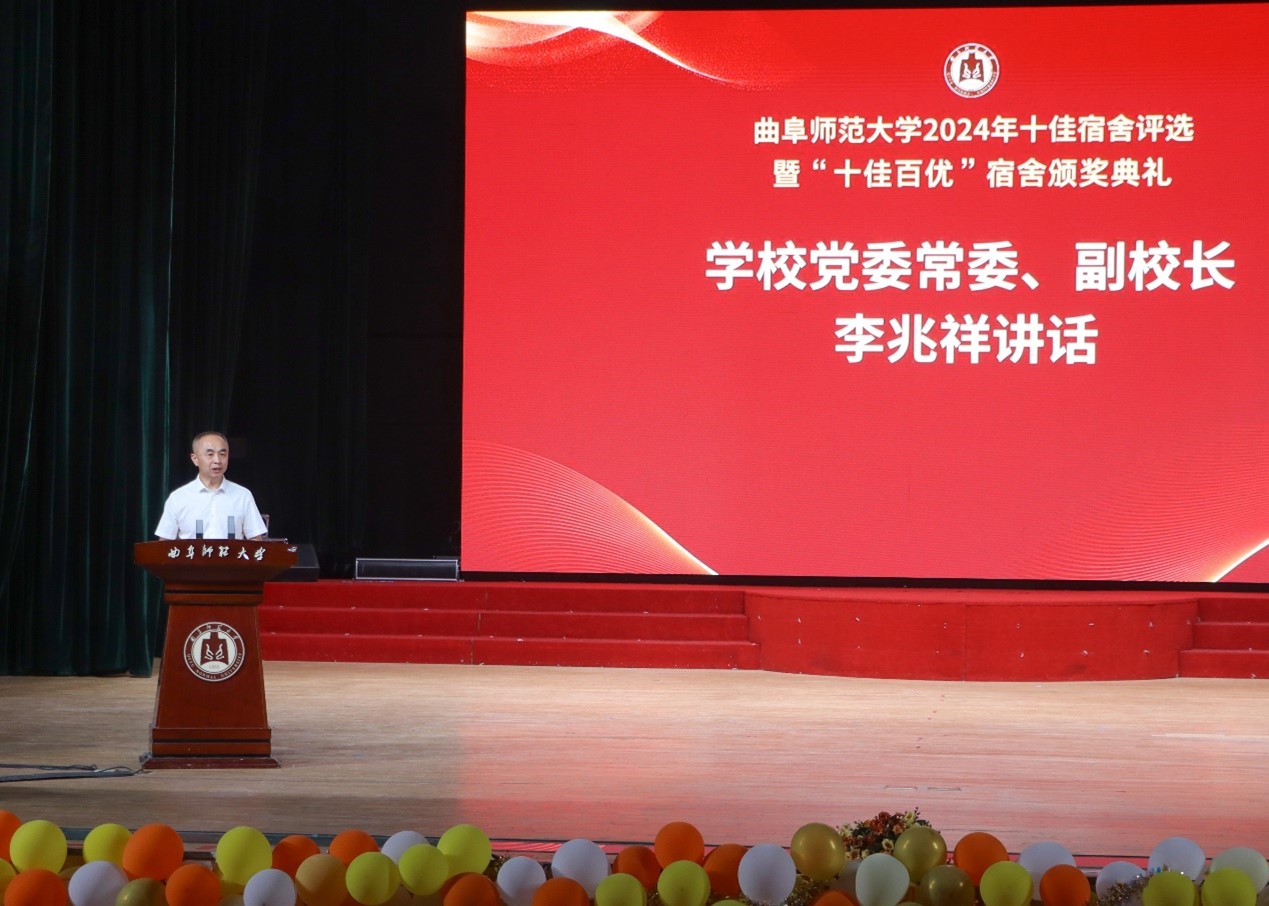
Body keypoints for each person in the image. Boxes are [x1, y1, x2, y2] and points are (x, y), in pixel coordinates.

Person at [154, 431, 268, 540]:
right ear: (195, 459)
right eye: (210, 454)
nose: (217, 460)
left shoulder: (243, 495)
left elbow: (255, 540)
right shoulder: (178, 498)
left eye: (222, 454)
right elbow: (165, 543)